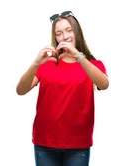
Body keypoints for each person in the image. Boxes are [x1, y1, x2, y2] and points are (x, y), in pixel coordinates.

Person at [16, 11, 109, 166]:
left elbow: (104, 84)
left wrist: (79, 57)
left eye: (68, 30)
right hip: (45, 141)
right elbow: (21, 90)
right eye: (59, 33)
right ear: (55, 38)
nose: (64, 37)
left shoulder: (93, 64)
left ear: (76, 31)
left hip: (78, 143)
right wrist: (35, 63)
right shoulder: (48, 63)